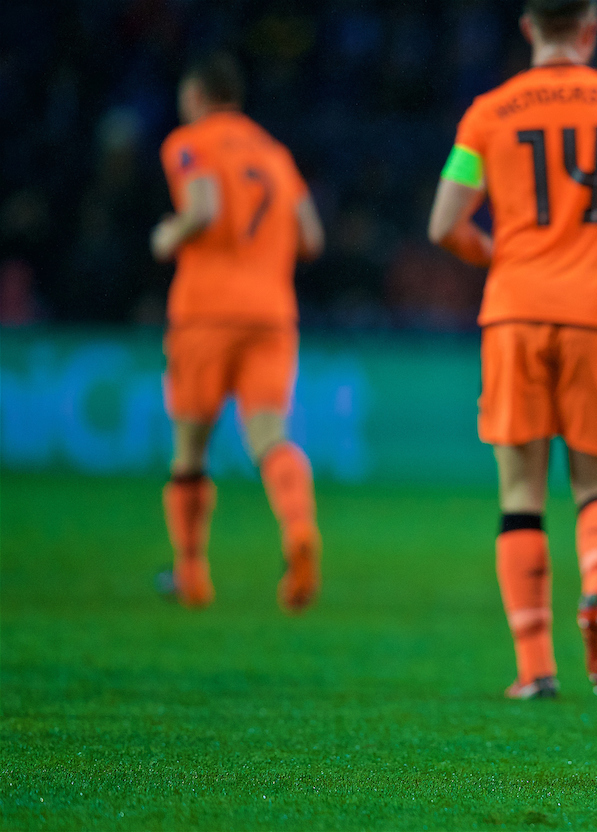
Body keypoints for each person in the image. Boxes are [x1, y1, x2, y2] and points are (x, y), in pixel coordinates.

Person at [428, 0, 597, 699]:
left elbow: (444, 222)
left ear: (529, 26)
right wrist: (590, 242)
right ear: (592, 29)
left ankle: (535, 667)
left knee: (520, 497)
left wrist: (501, 252)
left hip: (515, 311)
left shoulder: (488, 113)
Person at [151, 54, 325, 613]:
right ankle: (298, 529)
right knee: (270, 437)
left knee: (190, 449)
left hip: (205, 313)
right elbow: (312, 238)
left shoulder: (190, 142)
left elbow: (204, 208)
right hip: (271, 313)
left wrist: (168, 235)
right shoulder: (273, 153)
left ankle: (191, 572)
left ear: (197, 95)